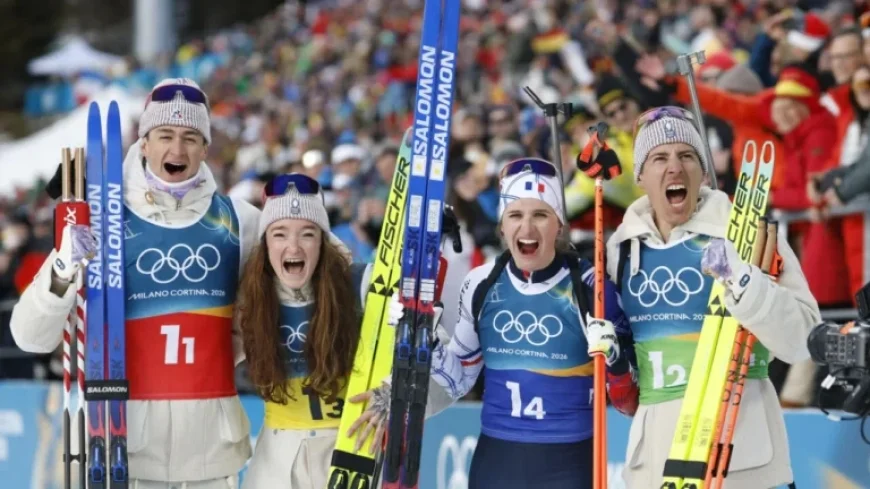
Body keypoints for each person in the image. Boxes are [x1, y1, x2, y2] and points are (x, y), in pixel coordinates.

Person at [10, 78, 261, 488]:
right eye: (164, 135)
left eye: (190, 137)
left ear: (205, 148)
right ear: (144, 143)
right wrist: (63, 266)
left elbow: (309, 271)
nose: (177, 150)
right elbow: (29, 337)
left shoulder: (239, 220)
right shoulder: (99, 218)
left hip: (211, 454)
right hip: (122, 446)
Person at [379, 157, 639, 489]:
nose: (527, 229)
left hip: (570, 463)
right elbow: (459, 380)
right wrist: (429, 341)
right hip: (497, 461)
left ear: (558, 224)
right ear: (502, 226)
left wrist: (615, 360)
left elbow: (628, 402)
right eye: (515, 215)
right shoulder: (482, 282)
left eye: (540, 215)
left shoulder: (591, 287)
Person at [606, 106, 821, 489]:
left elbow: (803, 339)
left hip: (741, 458)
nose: (675, 167)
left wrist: (743, 281)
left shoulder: (746, 233)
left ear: (704, 172)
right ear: (640, 175)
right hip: (653, 465)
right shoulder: (619, 250)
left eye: (687, 155)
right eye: (659, 158)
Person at [238, 173, 454, 489]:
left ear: (323, 242)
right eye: (280, 234)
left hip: (352, 456)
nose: (293, 246)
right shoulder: (251, 297)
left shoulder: (364, 286)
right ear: (265, 243)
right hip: (276, 464)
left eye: (307, 234)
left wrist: (399, 392)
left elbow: (446, 368)